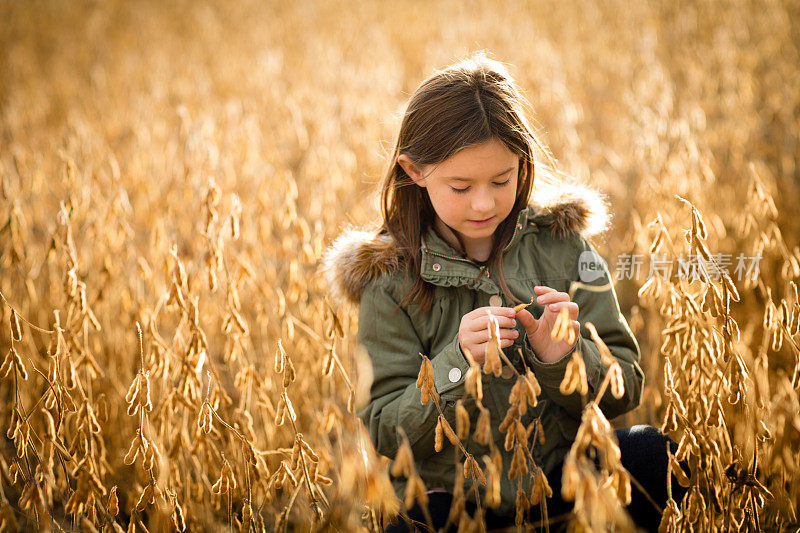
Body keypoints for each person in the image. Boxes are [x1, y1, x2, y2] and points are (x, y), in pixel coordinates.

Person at [323, 53, 681, 532]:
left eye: (501, 180)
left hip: (566, 484)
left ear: (523, 163)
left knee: (649, 453)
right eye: (461, 185)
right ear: (414, 171)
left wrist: (565, 360)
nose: (484, 202)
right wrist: (453, 364)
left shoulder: (563, 243)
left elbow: (626, 384)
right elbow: (386, 430)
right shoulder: (390, 279)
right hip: (460, 504)